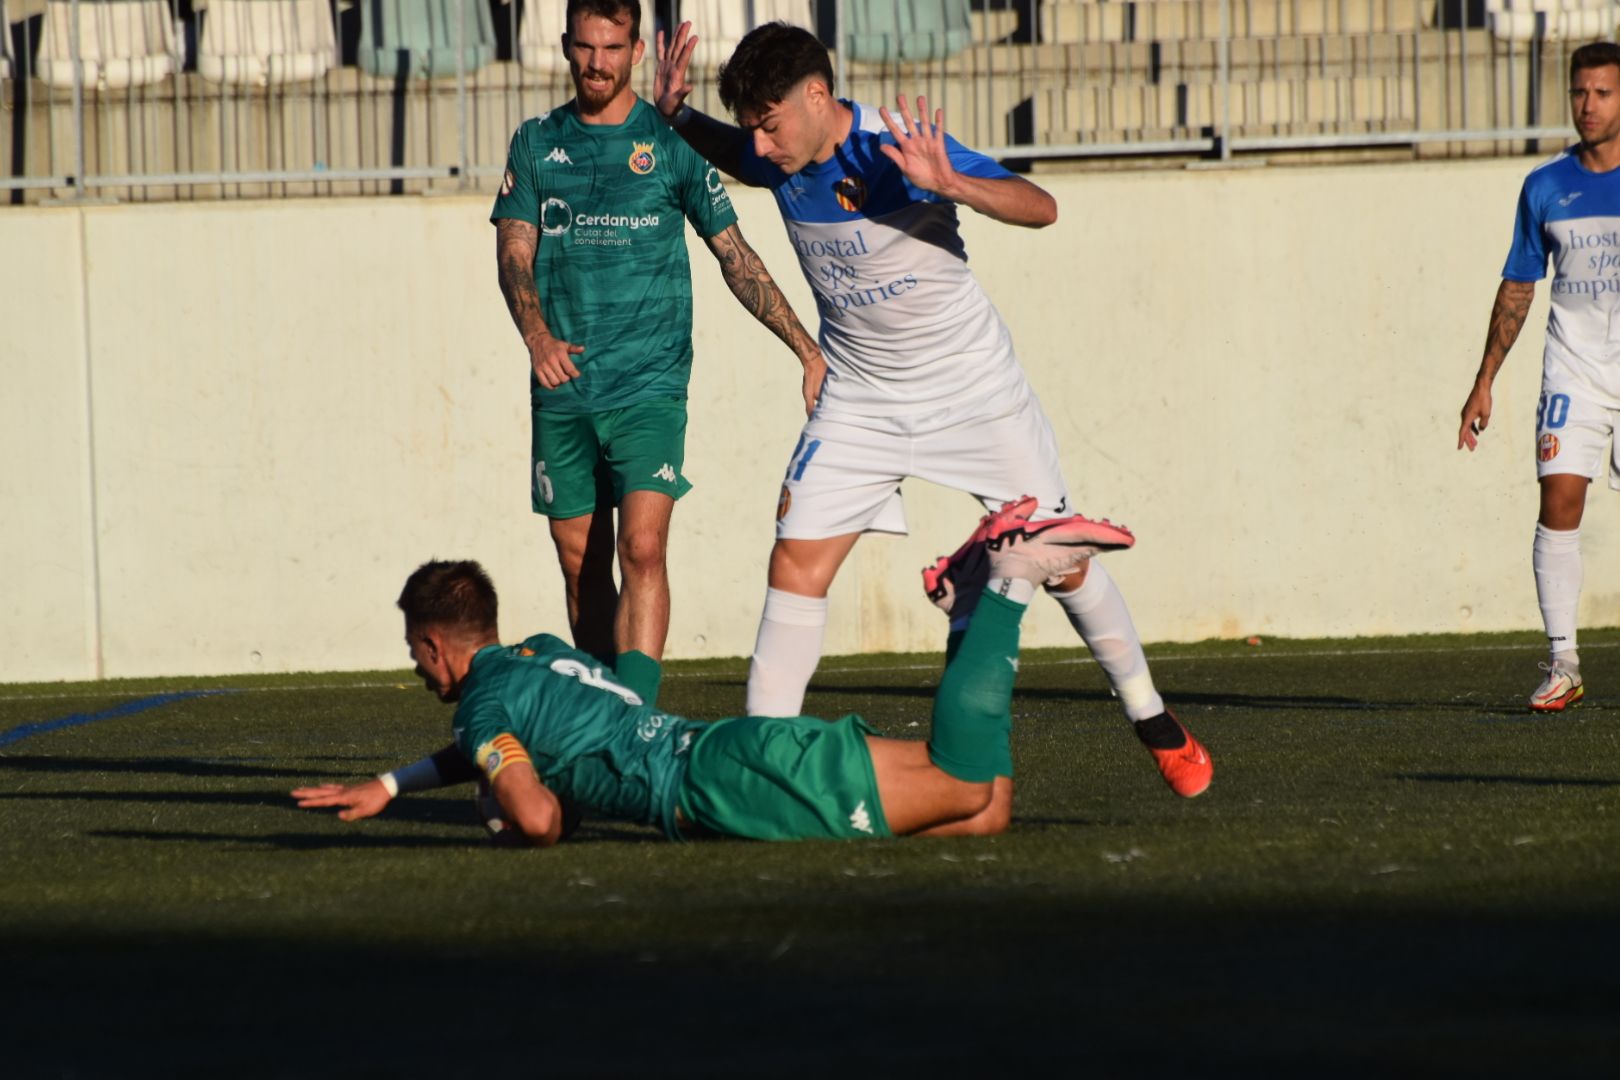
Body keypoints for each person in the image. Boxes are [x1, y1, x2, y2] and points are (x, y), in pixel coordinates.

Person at [649, 20, 1211, 795]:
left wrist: (953, 185)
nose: (762, 146)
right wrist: (679, 118)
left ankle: (1150, 714)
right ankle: (762, 763)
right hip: (860, 398)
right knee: (795, 561)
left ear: (818, 95)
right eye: (753, 128)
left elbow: (1040, 206)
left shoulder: (891, 144)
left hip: (973, 390)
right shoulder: (780, 152)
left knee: (1065, 563)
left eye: (769, 125)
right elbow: (743, 158)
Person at [292, 500, 1138, 843]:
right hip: (728, 749)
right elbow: (514, 741)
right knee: (986, 811)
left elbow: (541, 819)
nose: (416, 670)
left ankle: (1010, 580)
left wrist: (501, 809)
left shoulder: (480, 715)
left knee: (960, 790)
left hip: (724, 789)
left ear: (436, 646)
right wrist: (395, 785)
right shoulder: (541, 655)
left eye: (415, 654)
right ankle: (968, 608)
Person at [495, 0, 824, 707]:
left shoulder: (672, 144)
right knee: (580, 565)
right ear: (564, 47)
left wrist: (806, 349)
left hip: (650, 385)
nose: (597, 63)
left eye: (612, 48)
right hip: (564, 387)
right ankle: (604, 709)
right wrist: (537, 337)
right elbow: (513, 254)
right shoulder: (534, 143)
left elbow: (734, 255)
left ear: (637, 51)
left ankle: (635, 714)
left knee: (641, 548)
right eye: (585, 47)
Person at [1458, 41, 1620, 712]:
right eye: (1580, 92)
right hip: (1573, 372)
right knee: (1557, 500)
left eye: (1603, 93)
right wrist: (1484, 379)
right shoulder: (1545, 187)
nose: (1588, 106)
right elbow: (1519, 288)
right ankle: (1564, 663)